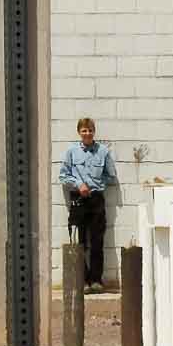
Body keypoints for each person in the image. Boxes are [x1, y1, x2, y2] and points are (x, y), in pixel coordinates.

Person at [59, 116, 118, 293]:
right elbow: (63, 176)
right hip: (78, 199)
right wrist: (79, 184)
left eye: (90, 130)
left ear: (94, 132)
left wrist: (97, 185)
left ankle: (95, 280)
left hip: (96, 199)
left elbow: (111, 176)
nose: (87, 133)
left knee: (97, 240)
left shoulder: (103, 152)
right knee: (79, 240)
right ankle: (82, 280)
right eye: (84, 130)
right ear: (79, 132)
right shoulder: (71, 152)